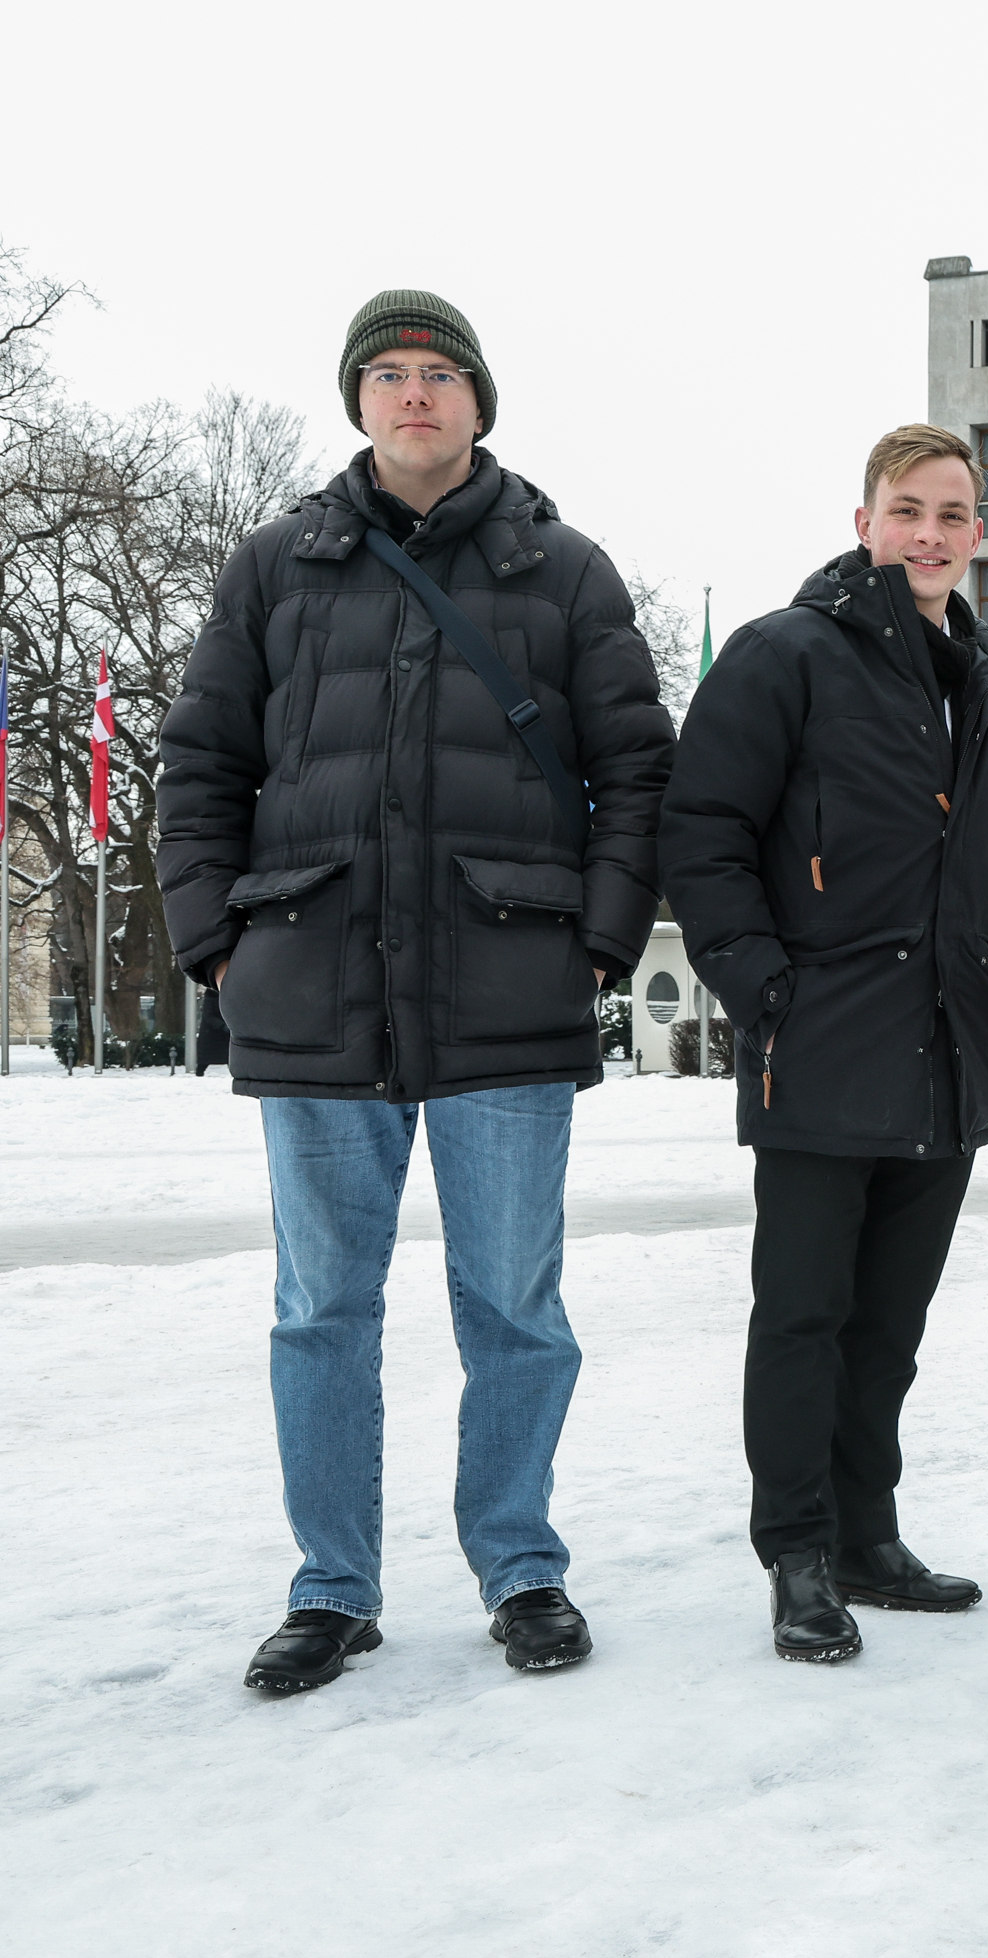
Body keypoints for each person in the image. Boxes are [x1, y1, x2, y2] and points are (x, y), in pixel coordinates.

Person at [157, 290, 673, 1692]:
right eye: (386, 373)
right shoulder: (274, 568)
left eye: (439, 371)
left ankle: (521, 1566)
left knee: (514, 1305)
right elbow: (200, 765)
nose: (414, 393)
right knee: (321, 1309)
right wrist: (217, 945)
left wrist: (597, 943)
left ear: (479, 400)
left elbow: (636, 770)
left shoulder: (566, 571)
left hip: (511, 986)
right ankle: (332, 1586)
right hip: (312, 986)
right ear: (358, 401)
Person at [658, 424, 988, 1663]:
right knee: (804, 1315)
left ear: (977, 532)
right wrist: (763, 991)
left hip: (947, 1047)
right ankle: (798, 1552)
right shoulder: (786, 653)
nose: (929, 533)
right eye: (906, 510)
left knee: (890, 1324)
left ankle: (869, 1536)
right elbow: (703, 834)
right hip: (820, 1041)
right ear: (865, 520)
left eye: (951, 513)